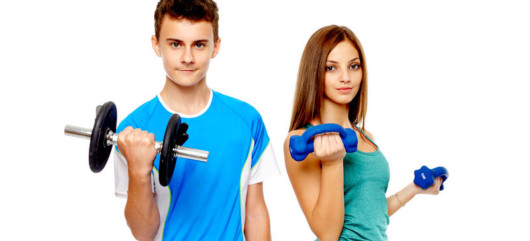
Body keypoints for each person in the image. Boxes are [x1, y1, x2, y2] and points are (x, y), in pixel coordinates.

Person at [113, 0, 279, 240]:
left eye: (199, 44)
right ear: (156, 45)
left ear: (216, 46)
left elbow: (255, 213)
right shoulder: (132, 131)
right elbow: (143, 232)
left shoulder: (247, 120)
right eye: (176, 44)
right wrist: (139, 170)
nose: (187, 57)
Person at [283, 25, 443, 241]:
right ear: (314, 71)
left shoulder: (366, 137)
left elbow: (368, 216)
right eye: (331, 68)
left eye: (354, 66)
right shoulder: (302, 140)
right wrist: (332, 163)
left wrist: (413, 189)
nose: (346, 77)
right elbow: (327, 234)